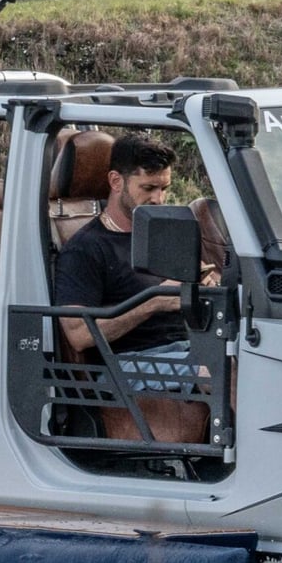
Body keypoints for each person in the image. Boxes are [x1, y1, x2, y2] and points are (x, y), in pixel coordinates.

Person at [53, 134, 217, 391]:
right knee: (220, 372)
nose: (159, 199)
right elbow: (79, 335)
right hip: (126, 363)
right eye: (148, 188)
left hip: (185, 348)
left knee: (250, 358)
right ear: (116, 181)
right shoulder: (85, 248)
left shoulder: (166, 234)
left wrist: (206, 286)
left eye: (164, 189)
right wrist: (155, 302)